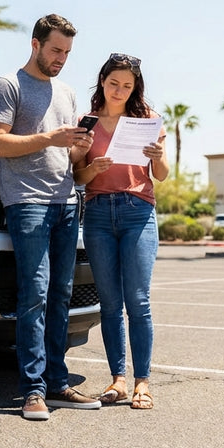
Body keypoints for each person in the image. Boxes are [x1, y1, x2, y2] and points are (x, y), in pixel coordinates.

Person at [0, 14, 101, 421]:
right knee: (34, 294)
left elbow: (66, 155)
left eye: (67, 53)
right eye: (55, 50)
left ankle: (57, 384)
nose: (61, 59)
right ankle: (32, 391)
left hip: (67, 202)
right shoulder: (8, 86)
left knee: (60, 297)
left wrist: (81, 147)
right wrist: (50, 138)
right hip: (28, 202)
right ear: (35, 45)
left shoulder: (66, 92)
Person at [72, 52, 169, 410]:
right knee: (110, 304)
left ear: (135, 88)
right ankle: (118, 380)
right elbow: (78, 178)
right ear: (102, 81)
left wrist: (157, 155)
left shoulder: (148, 121)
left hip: (137, 212)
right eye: (114, 83)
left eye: (127, 85)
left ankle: (143, 382)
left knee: (138, 301)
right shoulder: (86, 122)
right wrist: (91, 167)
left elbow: (161, 175)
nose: (119, 90)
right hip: (97, 214)